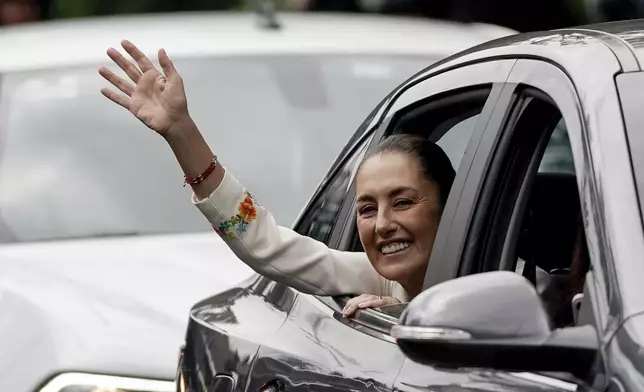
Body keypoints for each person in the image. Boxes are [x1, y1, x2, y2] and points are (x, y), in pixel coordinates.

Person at [98, 40, 455, 317]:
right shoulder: (381, 279)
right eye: (366, 209)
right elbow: (265, 242)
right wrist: (180, 131)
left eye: (403, 202)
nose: (383, 225)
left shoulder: (504, 287)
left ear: (451, 205)